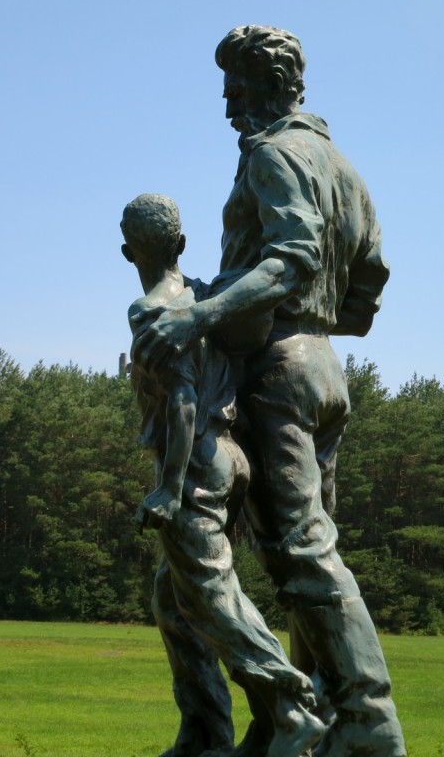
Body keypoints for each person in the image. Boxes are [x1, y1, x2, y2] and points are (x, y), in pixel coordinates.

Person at [133, 27, 407, 757]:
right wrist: (312, 323)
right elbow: (367, 290)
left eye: (236, 92)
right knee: (244, 569)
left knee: (302, 555)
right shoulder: (341, 167)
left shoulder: (271, 154)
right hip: (323, 370)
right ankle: (246, 725)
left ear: (267, 86)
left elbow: (293, 257)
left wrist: (206, 314)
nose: (230, 110)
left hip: (277, 373)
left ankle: (368, 724)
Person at [121, 193, 326, 757]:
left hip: (193, 464)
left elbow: (182, 397)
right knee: (174, 598)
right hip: (232, 459)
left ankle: (291, 707)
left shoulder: (150, 312)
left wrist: (167, 483)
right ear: (181, 246)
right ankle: (206, 730)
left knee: (212, 597)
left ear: (125, 252)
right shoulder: (209, 297)